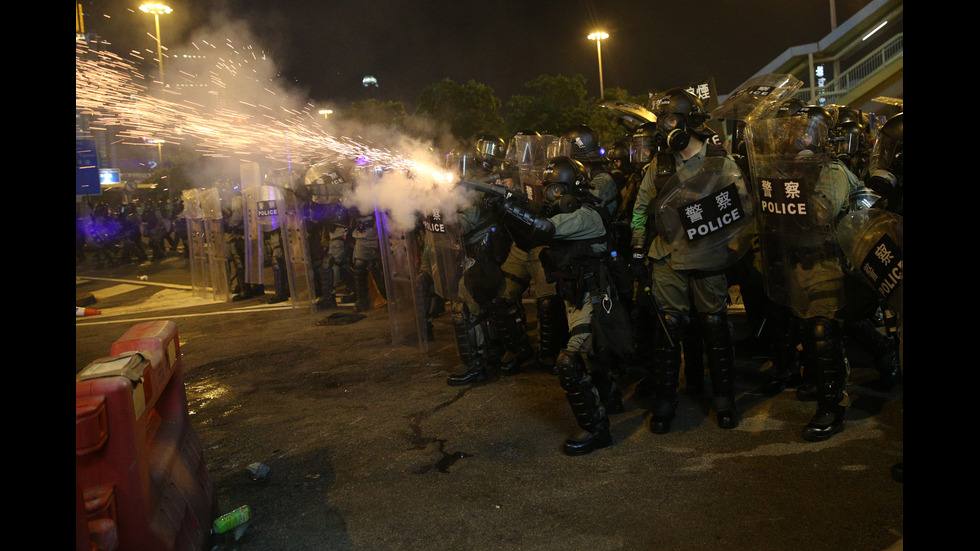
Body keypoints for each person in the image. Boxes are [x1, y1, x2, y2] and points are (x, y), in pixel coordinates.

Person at [494, 155, 628, 456]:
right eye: (548, 190)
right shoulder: (573, 213)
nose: (551, 197)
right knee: (594, 352)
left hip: (595, 295)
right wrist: (505, 211)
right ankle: (609, 399)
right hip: (578, 294)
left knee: (570, 361)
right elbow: (529, 240)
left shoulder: (585, 216)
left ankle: (597, 429)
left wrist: (507, 209)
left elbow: (542, 229)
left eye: (555, 190)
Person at [630, 88, 745, 434]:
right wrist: (637, 250)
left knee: (714, 325)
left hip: (708, 257)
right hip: (667, 259)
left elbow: (741, 207)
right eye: (661, 123)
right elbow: (639, 212)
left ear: (689, 122)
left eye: (669, 121)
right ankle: (666, 402)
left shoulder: (718, 161)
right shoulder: (659, 166)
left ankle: (724, 398)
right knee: (668, 329)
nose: (664, 131)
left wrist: (731, 247)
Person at [745, 104, 863, 442]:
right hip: (796, 262)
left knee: (825, 333)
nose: (790, 140)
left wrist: (796, 179)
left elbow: (821, 212)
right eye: (787, 133)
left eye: (799, 134)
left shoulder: (832, 170)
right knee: (808, 332)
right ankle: (819, 386)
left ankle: (833, 406)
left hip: (825, 262)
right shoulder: (783, 171)